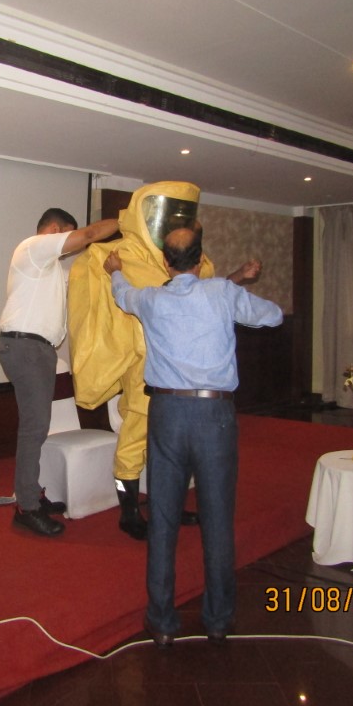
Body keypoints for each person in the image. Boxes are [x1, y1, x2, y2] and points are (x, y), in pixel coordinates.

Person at [103, 227, 282, 645]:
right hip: (214, 415)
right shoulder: (221, 292)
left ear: (166, 263)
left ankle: (162, 623)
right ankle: (218, 620)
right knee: (217, 519)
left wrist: (114, 270)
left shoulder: (151, 299)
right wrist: (235, 289)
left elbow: (122, 295)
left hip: (166, 414)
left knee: (163, 519)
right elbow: (273, 315)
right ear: (200, 261)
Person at [67, 181, 259, 540]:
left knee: (174, 449)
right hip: (145, 374)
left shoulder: (192, 261)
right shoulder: (118, 257)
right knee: (134, 443)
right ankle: (128, 512)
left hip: (185, 382)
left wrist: (236, 277)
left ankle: (166, 504)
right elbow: (98, 312)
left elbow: (207, 294)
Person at [0, 207, 119, 537]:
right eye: (68, 234)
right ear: (54, 229)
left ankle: (31, 493)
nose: (72, 245)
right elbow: (90, 235)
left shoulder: (50, 269)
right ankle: (26, 506)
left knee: (36, 427)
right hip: (25, 346)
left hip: (36, 349)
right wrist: (129, 220)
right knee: (34, 428)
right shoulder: (33, 247)